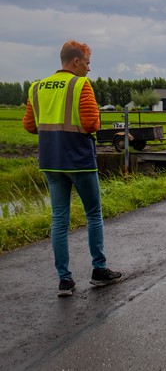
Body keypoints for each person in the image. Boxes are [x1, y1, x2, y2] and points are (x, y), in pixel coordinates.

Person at [22, 40, 122, 297]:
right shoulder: (81, 85)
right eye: (88, 63)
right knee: (93, 214)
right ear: (76, 61)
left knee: (59, 219)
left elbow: (29, 125)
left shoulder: (37, 87)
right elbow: (91, 123)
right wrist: (96, 118)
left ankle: (64, 280)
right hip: (79, 161)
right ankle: (99, 270)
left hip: (50, 162)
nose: (89, 69)